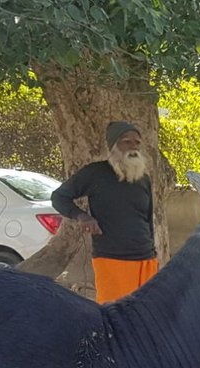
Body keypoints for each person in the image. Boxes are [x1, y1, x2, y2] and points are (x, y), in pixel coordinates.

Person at [52, 120, 158, 302]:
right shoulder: (95, 173)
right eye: (126, 142)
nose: (133, 147)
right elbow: (59, 197)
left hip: (147, 260)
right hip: (112, 260)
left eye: (137, 143)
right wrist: (82, 216)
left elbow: (148, 220)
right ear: (113, 146)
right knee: (115, 317)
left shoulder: (143, 179)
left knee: (147, 315)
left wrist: (153, 254)